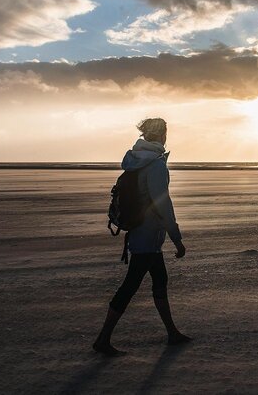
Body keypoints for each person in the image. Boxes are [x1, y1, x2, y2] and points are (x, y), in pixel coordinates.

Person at [93, 117, 191, 356]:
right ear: (162, 136)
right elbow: (163, 204)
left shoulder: (135, 161)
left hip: (141, 232)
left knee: (160, 280)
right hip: (148, 235)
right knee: (131, 285)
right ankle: (103, 339)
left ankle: (172, 332)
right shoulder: (156, 165)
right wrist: (176, 237)